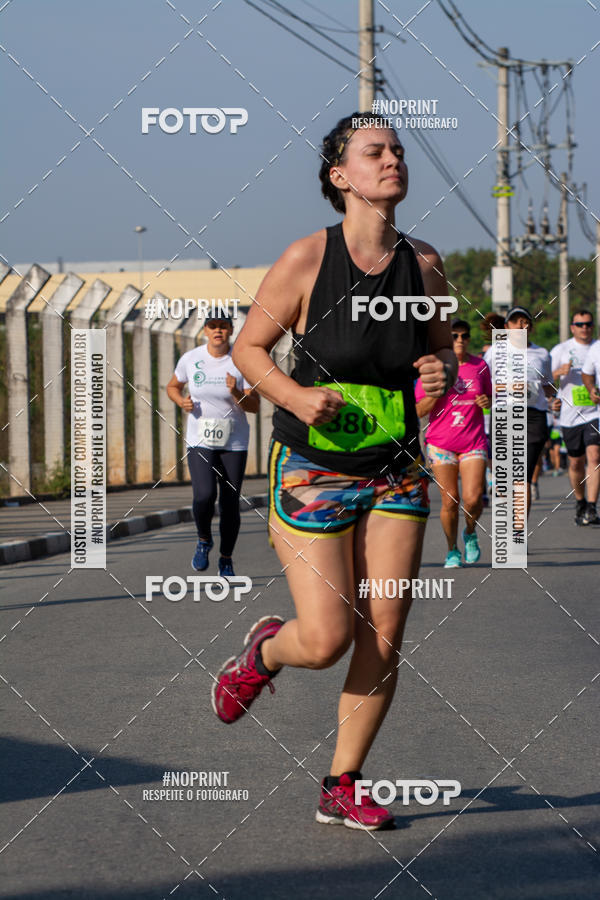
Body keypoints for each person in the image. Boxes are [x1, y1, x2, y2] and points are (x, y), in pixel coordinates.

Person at [211, 113, 457, 831]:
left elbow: (438, 354)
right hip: (313, 467)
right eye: (374, 152)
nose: (392, 161)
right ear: (339, 176)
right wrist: (292, 395)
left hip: (397, 468)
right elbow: (251, 348)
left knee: (383, 631)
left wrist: (438, 376)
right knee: (325, 639)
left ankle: (342, 782)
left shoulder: (427, 264)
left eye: (399, 151)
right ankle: (264, 650)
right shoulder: (307, 260)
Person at [166, 312, 259, 575]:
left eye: (223, 326)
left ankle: (226, 558)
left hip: (234, 442)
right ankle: (203, 540)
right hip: (200, 439)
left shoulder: (242, 361)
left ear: (231, 330)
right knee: (204, 495)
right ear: (205, 330)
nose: (218, 331)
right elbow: (172, 386)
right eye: (213, 326)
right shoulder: (191, 358)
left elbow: (254, 405)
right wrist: (180, 401)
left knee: (230, 503)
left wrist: (236, 392)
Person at [416, 319, 491, 567]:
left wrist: (486, 403)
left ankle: (469, 532)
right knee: (450, 500)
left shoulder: (480, 365)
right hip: (441, 443)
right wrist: (435, 393)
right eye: (455, 336)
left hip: (473, 440)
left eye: (465, 336)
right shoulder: (432, 368)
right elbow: (418, 410)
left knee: (473, 498)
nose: (460, 340)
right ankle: (452, 550)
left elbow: (489, 398)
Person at [485, 306, 558, 516]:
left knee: (522, 476)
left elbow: (548, 386)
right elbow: (483, 384)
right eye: (515, 321)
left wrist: (554, 400)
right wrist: (506, 386)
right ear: (506, 327)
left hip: (533, 416)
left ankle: (517, 534)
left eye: (524, 321)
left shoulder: (542, 354)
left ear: (530, 327)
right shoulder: (495, 351)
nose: (520, 325)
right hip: (504, 414)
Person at [551, 309, 600, 525]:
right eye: (580, 324)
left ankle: (591, 506)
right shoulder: (561, 350)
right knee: (575, 463)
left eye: (588, 324)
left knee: (595, 456)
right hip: (569, 416)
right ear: (572, 327)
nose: (585, 328)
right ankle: (580, 500)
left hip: (594, 413)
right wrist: (557, 374)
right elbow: (545, 381)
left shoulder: (597, 349)